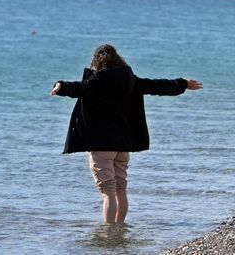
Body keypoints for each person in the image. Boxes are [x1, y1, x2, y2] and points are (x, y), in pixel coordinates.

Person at [50, 44, 202, 224]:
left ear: (98, 62)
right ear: (118, 59)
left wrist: (60, 86)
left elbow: (76, 88)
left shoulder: (95, 82)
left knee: (108, 192)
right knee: (120, 189)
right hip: (123, 146)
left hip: (101, 145)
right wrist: (183, 83)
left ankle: (109, 233)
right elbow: (157, 85)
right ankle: (120, 229)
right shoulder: (132, 81)